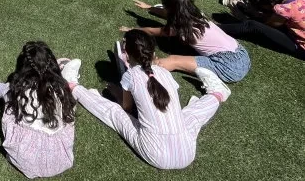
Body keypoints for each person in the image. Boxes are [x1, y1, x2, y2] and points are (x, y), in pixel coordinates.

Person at [70, 30, 230, 169]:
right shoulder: (164, 73)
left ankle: (72, 86)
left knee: (115, 114)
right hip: (187, 153)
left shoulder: (130, 75)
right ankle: (217, 94)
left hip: (155, 153)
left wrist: (116, 92)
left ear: (126, 53)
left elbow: (126, 109)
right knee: (192, 115)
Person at [0, 43, 77, 178]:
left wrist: (7, 88)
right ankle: (66, 74)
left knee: (7, 92)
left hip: (25, 160)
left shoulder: (20, 89)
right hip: (60, 160)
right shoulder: (62, 90)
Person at [122, 0, 250, 83]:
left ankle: (138, 73)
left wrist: (133, 30)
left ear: (170, 9)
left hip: (229, 67)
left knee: (172, 60)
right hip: (242, 54)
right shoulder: (198, 14)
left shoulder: (180, 29)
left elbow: (152, 31)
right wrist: (149, 8)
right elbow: (169, 14)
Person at [219, 0, 305, 59]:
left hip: (301, 48)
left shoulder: (282, 9)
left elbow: (269, 25)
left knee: (252, 25)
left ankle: (213, 28)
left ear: (270, 3)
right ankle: (241, 9)